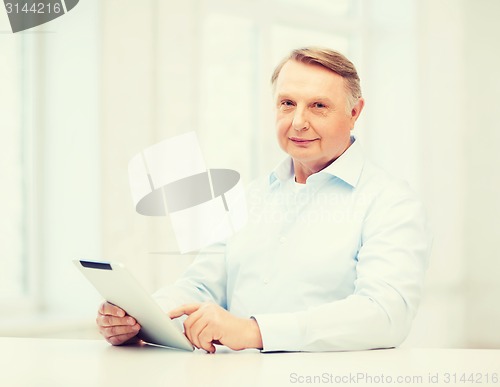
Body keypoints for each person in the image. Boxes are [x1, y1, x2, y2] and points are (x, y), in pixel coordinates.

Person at [96, 47, 431, 353]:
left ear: (354, 111)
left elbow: (386, 315)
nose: (299, 122)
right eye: (287, 103)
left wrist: (256, 331)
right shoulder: (249, 197)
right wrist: (139, 317)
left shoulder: (390, 202)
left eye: (318, 105)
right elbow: (201, 285)